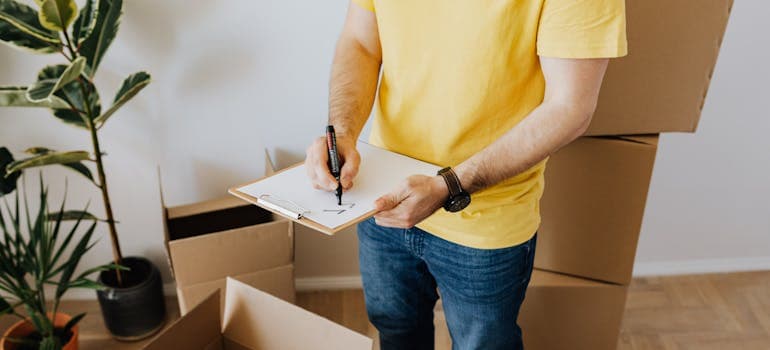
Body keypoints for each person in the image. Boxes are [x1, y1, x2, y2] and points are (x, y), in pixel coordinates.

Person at [305, 0, 627, 349]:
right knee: (396, 330)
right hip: (382, 195)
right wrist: (342, 132)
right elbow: (361, 41)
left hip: (486, 219)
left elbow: (570, 107)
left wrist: (450, 185)